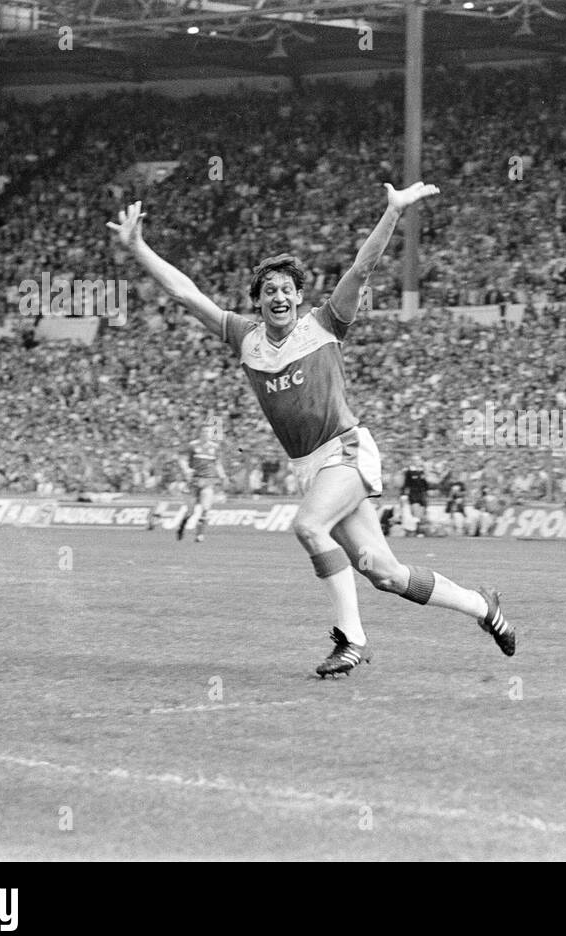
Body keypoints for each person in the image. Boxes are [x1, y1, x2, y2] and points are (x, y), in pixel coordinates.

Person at [107, 184, 516, 678]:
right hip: (312, 467)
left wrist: (392, 212)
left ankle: (352, 641)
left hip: (345, 450)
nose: (279, 296)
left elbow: (362, 269)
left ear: (300, 298)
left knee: (306, 526)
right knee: (381, 571)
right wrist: (138, 247)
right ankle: (483, 607)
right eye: (269, 291)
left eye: (287, 290)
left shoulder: (324, 324)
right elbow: (184, 292)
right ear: (257, 302)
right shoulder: (244, 338)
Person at [177, 424, 227, 542]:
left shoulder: (215, 447)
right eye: (204, 432)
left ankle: (199, 534)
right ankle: (182, 526)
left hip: (208, 480)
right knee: (191, 511)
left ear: (211, 434)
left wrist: (222, 475)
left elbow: (218, 464)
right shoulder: (192, 445)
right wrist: (186, 469)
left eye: (208, 432)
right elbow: (182, 460)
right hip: (194, 480)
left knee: (205, 508)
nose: (206, 434)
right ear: (200, 433)